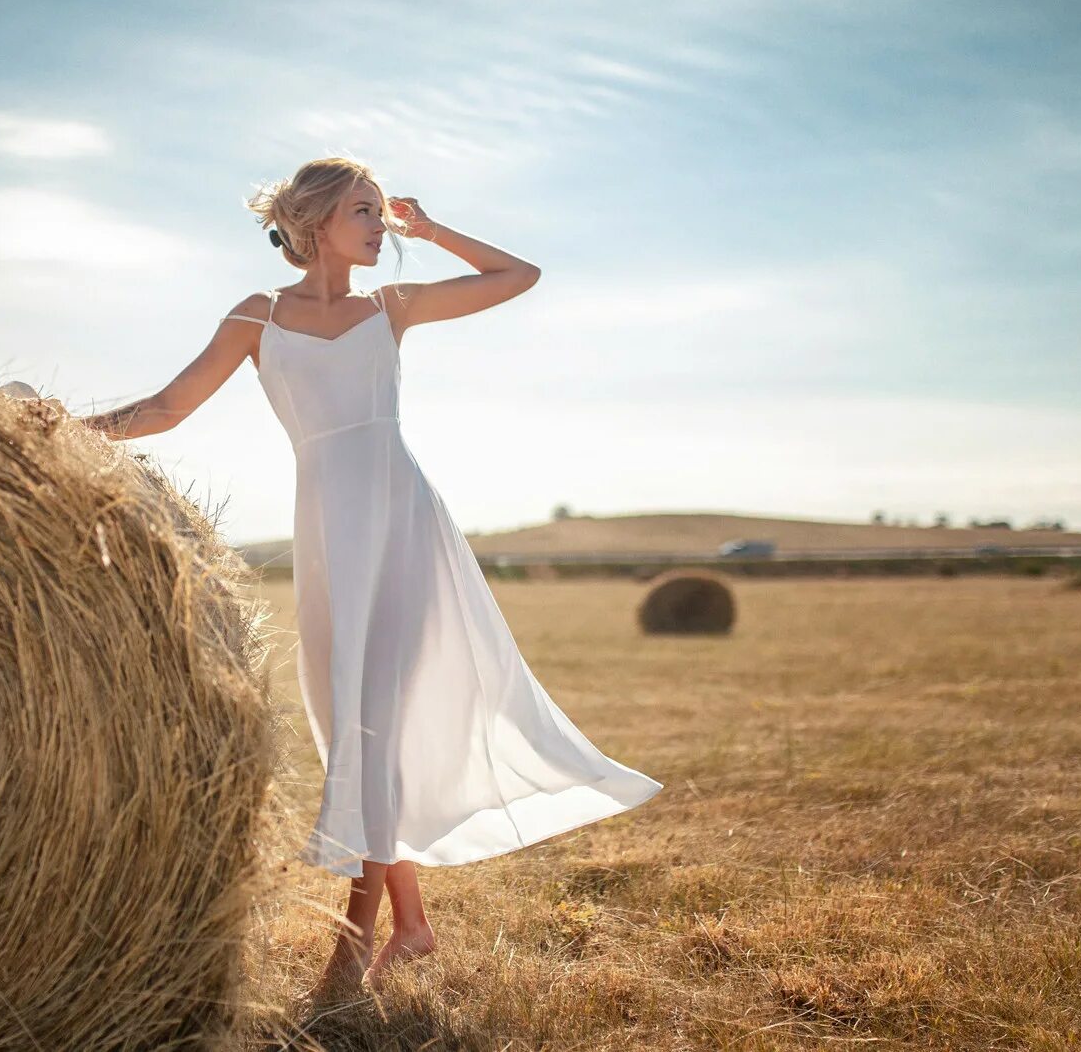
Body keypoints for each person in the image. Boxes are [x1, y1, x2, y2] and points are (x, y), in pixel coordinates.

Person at [79, 156, 662, 1003]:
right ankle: (415, 926)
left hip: (403, 523)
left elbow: (518, 276)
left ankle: (350, 953)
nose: (379, 225)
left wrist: (433, 231)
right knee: (349, 716)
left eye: (381, 213)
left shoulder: (392, 307)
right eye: (364, 210)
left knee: (373, 722)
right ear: (314, 221)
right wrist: (62, 426)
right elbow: (170, 408)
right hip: (325, 532)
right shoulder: (256, 316)